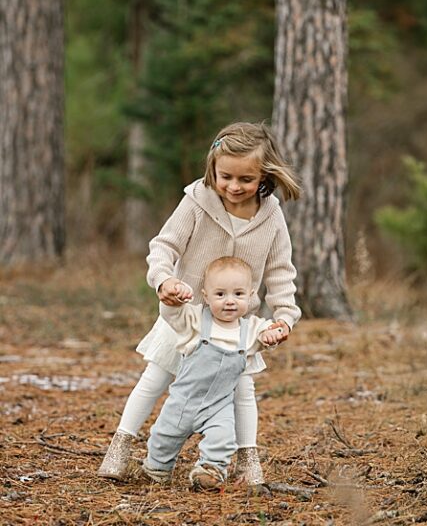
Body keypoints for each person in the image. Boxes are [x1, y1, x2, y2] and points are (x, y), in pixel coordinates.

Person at [98, 123, 301, 489]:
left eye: (246, 179)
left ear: (264, 176)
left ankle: (247, 459)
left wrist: (284, 318)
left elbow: (280, 272)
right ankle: (121, 445)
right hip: (186, 314)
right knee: (155, 377)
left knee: (242, 390)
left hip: (234, 322)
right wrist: (165, 281)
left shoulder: (271, 216)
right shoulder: (197, 201)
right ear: (213, 169)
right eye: (226, 176)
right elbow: (165, 246)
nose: (234, 186)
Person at [129, 256, 288, 487]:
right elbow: (171, 315)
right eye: (220, 294)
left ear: (251, 295)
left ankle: (210, 471)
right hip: (182, 402)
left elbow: (268, 334)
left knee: (223, 438)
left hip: (218, 406)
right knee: (163, 437)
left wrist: (272, 335)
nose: (230, 301)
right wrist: (173, 299)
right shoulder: (195, 320)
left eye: (238, 294)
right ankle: (156, 469)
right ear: (206, 296)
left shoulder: (251, 329)